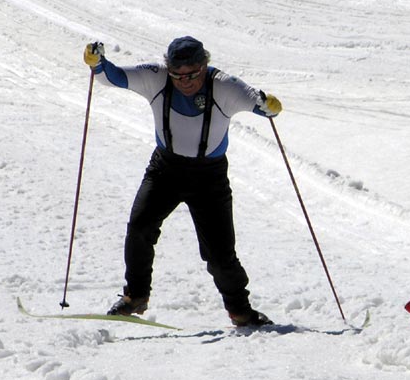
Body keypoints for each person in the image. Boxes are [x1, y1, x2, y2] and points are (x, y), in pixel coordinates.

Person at [83, 36, 283, 327]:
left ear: (205, 65)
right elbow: (112, 77)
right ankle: (135, 296)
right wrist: (97, 63)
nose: (184, 81)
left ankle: (240, 310)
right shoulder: (156, 78)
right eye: (177, 75)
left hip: (209, 176)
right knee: (140, 228)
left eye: (192, 74)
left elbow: (261, 104)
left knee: (219, 255)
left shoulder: (224, 86)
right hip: (166, 169)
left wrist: (269, 106)